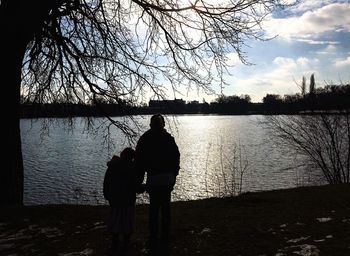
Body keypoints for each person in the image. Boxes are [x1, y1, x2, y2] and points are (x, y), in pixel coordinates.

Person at [135, 114, 180, 254]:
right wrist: (174, 175)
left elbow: (139, 162)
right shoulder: (168, 138)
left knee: (154, 208)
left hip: (155, 178)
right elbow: (176, 157)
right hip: (166, 178)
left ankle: (154, 235)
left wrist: (138, 182)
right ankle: (164, 234)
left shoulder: (144, 139)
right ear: (163, 124)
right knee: (165, 207)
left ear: (150, 125)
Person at [103, 147, 141, 256]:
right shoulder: (131, 168)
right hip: (127, 201)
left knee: (115, 221)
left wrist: (107, 195)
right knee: (127, 223)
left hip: (115, 200)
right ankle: (125, 244)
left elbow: (106, 182)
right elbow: (135, 186)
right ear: (131, 158)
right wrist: (143, 188)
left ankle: (115, 243)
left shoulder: (112, 167)